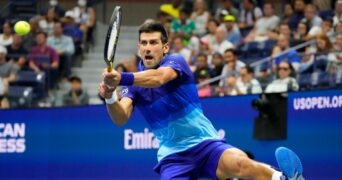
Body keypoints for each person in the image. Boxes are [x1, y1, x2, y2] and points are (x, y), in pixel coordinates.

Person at [98, 22, 304, 180]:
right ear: (139, 47)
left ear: (165, 47)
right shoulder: (133, 86)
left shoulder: (175, 62)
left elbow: (159, 78)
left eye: (153, 42)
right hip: (173, 157)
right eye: (144, 43)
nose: (148, 47)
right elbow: (121, 117)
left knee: (241, 163)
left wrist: (122, 77)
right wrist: (109, 97)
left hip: (206, 144)